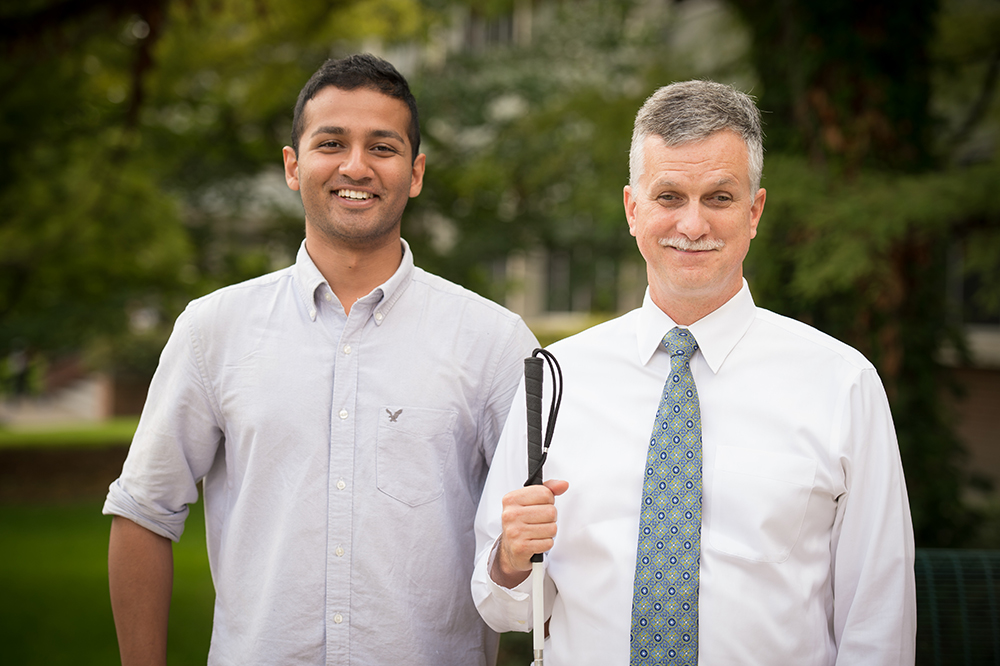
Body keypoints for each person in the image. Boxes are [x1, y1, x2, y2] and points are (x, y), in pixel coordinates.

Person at [104, 53, 538, 666]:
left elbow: (535, 547)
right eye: (331, 142)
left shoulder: (495, 342)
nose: (355, 166)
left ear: (415, 173)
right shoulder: (214, 330)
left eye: (382, 147)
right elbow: (143, 512)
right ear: (293, 165)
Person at [472, 80, 916, 665]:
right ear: (634, 209)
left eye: (720, 198)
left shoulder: (841, 384)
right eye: (669, 196)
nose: (693, 223)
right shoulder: (558, 380)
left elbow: (877, 620)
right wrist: (509, 560)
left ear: (754, 211)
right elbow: (502, 610)